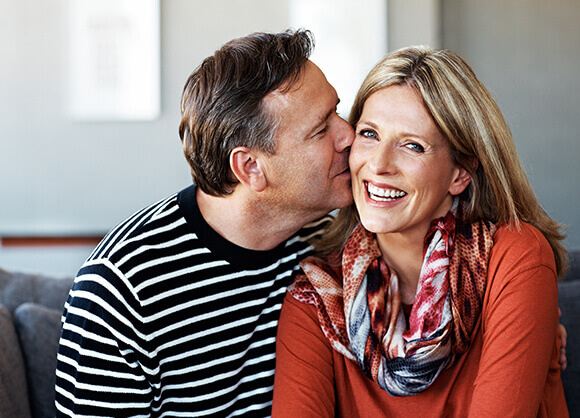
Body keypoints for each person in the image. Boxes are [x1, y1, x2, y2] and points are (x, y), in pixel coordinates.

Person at [55, 29, 354, 417]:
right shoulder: (123, 288)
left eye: (337, 110)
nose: (349, 134)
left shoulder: (330, 246)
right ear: (251, 168)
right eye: (321, 128)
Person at [272, 46, 569, 417]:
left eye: (412, 145)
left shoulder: (515, 258)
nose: (378, 165)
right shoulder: (318, 296)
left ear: (460, 173)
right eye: (369, 134)